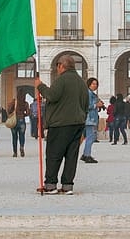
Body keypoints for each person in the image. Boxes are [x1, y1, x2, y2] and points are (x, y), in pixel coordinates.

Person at [34, 54, 89, 194]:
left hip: (60, 124)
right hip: (78, 123)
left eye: (57, 66)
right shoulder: (82, 82)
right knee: (71, 156)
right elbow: (86, 104)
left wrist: (40, 86)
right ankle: (67, 186)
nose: (57, 69)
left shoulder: (62, 80)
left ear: (61, 66)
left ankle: (51, 185)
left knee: (54, 154)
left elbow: (52, 95)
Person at [81, 77, 103, 164]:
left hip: (90, 118)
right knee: (91, 137)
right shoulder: (88, 94)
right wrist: (96, 104)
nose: (95, 85)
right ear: (89, 84)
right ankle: (87, 155)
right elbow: (87, 106)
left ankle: (85, 153)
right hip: (90, 119)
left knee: (88, 137)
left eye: (96, 84)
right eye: (93, 84)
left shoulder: (91, 94)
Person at [6, 91, 30, 157]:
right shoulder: (25, 103)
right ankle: (21, 147)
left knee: (14, 137)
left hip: (14, 121)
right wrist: (23, 114)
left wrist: (11, 114)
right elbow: (28, 113)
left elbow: (8, 109)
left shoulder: (14, 102)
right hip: (21, 120)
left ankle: (15, 152)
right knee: (22, 136)